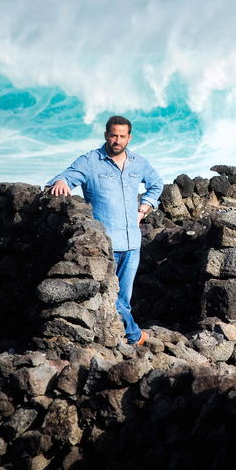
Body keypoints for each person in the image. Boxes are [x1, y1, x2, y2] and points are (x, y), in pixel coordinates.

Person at [46, 115, 163, 345]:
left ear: (129, 137)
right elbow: (65, 177)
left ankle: (118, 339)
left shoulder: (139, 163)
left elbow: (157, 184)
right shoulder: (90, 161)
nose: (117, 140)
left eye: (122, 136)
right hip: (106, 245)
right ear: (106, 135)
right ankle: (134, 335)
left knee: (123, 300)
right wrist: (60, 182)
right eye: (113, 135)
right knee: (112, 297)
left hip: (132, 243)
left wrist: (144, 208)